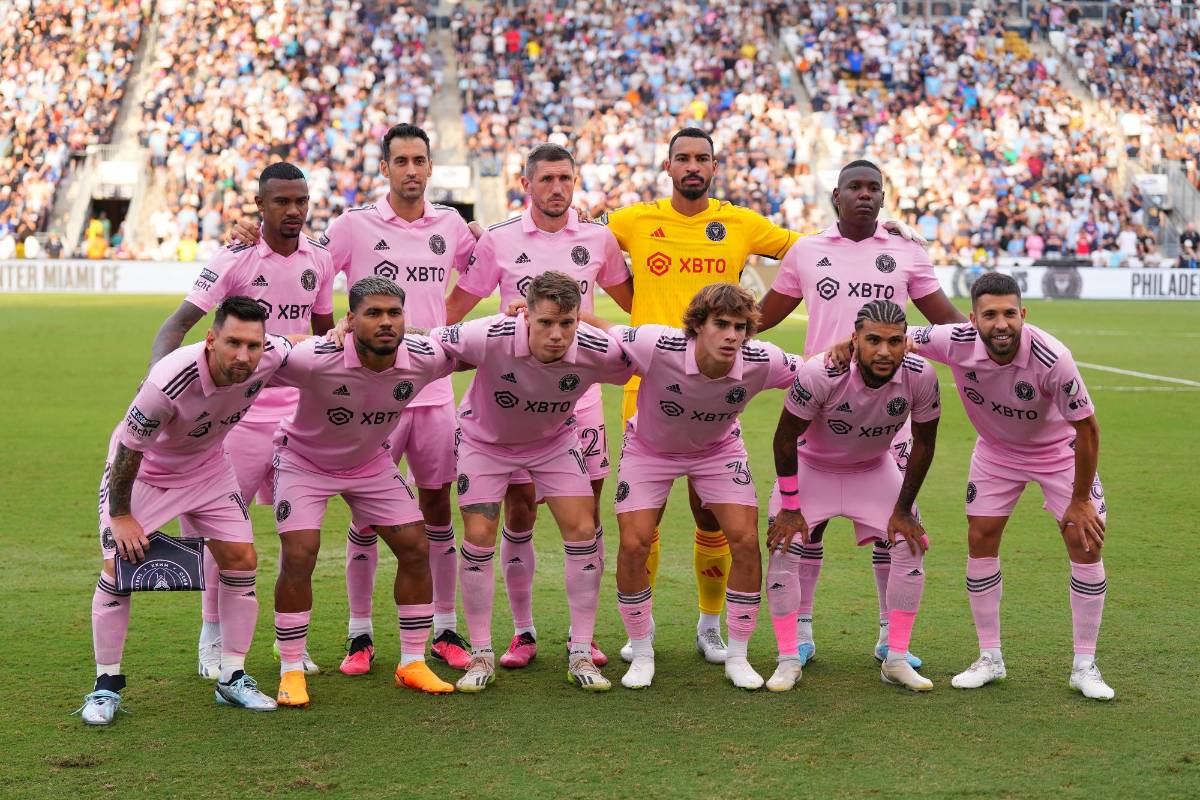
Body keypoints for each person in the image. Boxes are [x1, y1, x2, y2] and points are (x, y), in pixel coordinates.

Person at [601, 129, 925, 665]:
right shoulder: (632, 220)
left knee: (710, 513)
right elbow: (579, 237)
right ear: (667, 166)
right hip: (650, 378)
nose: (692, 166)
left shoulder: (744, 223)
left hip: (723, 378)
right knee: (642, 522)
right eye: (683, 158)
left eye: (702, 158)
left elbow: (819, 246)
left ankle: (710, 626)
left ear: (714, 166)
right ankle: (643, 632)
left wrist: (879, 233)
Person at [231, 125, 477, 673]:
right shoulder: (351, 226)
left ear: (430, 166)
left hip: (429, 388)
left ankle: (444, 628)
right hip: (367, 394)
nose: (411, 170)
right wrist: (255, 234)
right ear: (384, 168)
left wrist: (444, 320)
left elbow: (487, 267)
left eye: (419, 160)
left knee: (437, 511)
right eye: (401, 161)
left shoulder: (452, 225)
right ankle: (359, 635)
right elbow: (307, 263)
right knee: (367, 517)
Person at [755, 159, 966, 668]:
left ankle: (890, 636)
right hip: (820, 403)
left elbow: (946, 321)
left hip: (887, 409)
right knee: (809, 526)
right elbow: (762, 317)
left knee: (894, 525)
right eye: (855, 187)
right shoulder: (807, 251)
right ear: (836, 195)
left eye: (874, 187)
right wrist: (699, 337)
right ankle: (802, 631)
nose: (865, 194)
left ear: (884, 198)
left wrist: (999, 342)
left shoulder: (906, 250)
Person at [444, 143, 630, 669]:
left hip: (579, 397)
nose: (556, 188)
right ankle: (522, 632)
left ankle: (582, 636)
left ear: (575, 181)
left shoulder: (598, 238)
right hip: (515, 396)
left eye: (565, 178)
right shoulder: (499, 239)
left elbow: (636, 306)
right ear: (526, 184)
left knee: (586, 517)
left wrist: (589, 325)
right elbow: (452, 310)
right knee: (520, 512)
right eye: (546, 178)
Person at [151, 161, 336, 680]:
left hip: (299, 418)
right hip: (240, 418)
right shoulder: (234, 256)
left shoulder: (320, 260)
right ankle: (212, 639)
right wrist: (158, 389)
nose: (294, 210)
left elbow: (325, 340)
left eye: (301, 201)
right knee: (224, 537)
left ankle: (290, 641)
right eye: (282, 201)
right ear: (260, 204)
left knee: (300, 536)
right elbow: (177, 325)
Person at [77, 297, 290, 725]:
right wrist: (121, 517)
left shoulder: (270, 354)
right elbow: (128, 451)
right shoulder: (168, 382)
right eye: (233, 343)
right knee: (118, 568)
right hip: (147, 474)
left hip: (209, 471)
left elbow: (301, 344)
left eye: (253, 345)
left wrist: (341, 331)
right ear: (210, 340)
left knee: (241, 559)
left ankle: (232, 677)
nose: (244, 355)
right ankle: (105, 686)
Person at [906, 272, 1113, 700]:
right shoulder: (953, 341)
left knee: (1085, 542)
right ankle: (990, 658)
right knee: (980, 538)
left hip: (1058, 452)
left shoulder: (1052, 357)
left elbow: (1088, 429)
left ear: (1023, 314)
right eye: (990, 315)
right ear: (973, 319)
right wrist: (847, 345)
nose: (1001, 324)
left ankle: (1085, 666)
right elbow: (895, 336)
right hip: (997, 452)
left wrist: (1080, 500)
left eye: (1009, 314)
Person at [432, 272, 635, 693]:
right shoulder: (490, 333)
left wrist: (595, 323)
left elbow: (644, 351)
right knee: (479, 535)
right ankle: (481, 656)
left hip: (553, 442)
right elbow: (428, 341)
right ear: (526, 316)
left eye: (567, 323)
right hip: (484, 443)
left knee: (584, 529)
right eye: (545, 322)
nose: (557, 334)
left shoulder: (595, 348)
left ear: (578, 319)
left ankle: (581, 652)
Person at [596, 284, 800, 690]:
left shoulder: (762, 359)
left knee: (745, 540)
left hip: (718, 451)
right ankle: (642, 651)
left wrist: (849, 350)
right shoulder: (657, 344)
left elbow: (814, 369)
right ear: (697, 326)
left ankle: (737, 654)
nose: (731, 335)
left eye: (740, 327)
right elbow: (606, 329)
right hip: (649, 449)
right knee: (634, 543)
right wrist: (534, 314)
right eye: (721, 324)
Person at [268, 277, 458, 706]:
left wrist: (521, 318)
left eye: (394, 313)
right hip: (304, 462)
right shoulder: (318, 358)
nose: (386, 322)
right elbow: (260, 355)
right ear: (350, 320)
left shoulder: (423, 357)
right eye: (373, 313)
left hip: (370, 463)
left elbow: (470, 346)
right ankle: (291, 669)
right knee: (300, 553)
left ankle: (412, 663)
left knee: (415, 546)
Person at [768, 299, 941, 693]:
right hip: (814, 468)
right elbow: (784, 439)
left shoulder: (921, 375)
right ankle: (788, 657)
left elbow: (924, 444)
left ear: (906, 342)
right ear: (855, 340)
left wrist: (903, 510)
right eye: (873, 340)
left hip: (872, 469)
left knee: (911, 543)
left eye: (894, 341)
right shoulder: (821, 372)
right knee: (783, 545)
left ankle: (896, 657)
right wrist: (791, 507)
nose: (884, 351)